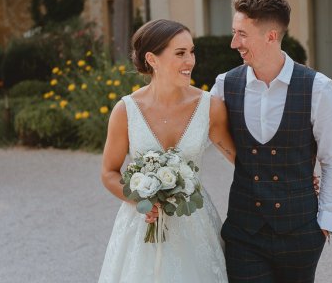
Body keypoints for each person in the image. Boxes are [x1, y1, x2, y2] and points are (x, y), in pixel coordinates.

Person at [210, 0, 332, 282]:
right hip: (244, 232)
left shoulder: (317, 88)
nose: (234, 43)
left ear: (271, 36)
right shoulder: (224, 85)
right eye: (235, 33)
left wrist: (325, 222)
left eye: (242, 34)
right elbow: (201, 133)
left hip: (301, 233)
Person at [98, 19, 236, 283]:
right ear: (152, 59)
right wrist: (139, 201)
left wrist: (295, 174)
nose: (191, 61)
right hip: (141, 225)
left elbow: (239, 160)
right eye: (180, 53)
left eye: (192, 51)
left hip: (194, 223)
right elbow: (108, 172)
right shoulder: (125, 111)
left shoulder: (210, 107)